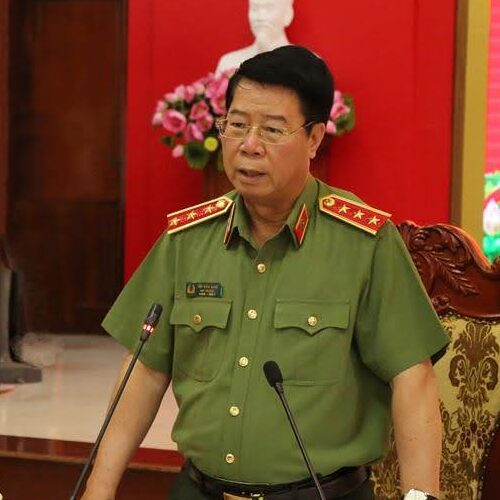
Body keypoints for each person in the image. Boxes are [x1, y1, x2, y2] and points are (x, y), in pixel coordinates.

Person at [82, 46, 449, 500]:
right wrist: (99, 489)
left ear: (314, 139)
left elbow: (412, 377)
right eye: (237, 125)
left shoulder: (363, 242)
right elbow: (145, 370)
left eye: (272, 130)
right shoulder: (187, 240)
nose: (249, 145)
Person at [215, 0, 294, 73]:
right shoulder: (229, 63)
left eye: (269, 8)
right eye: (255, 8)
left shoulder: (299, 63)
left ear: (288, 14)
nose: (260, 17)